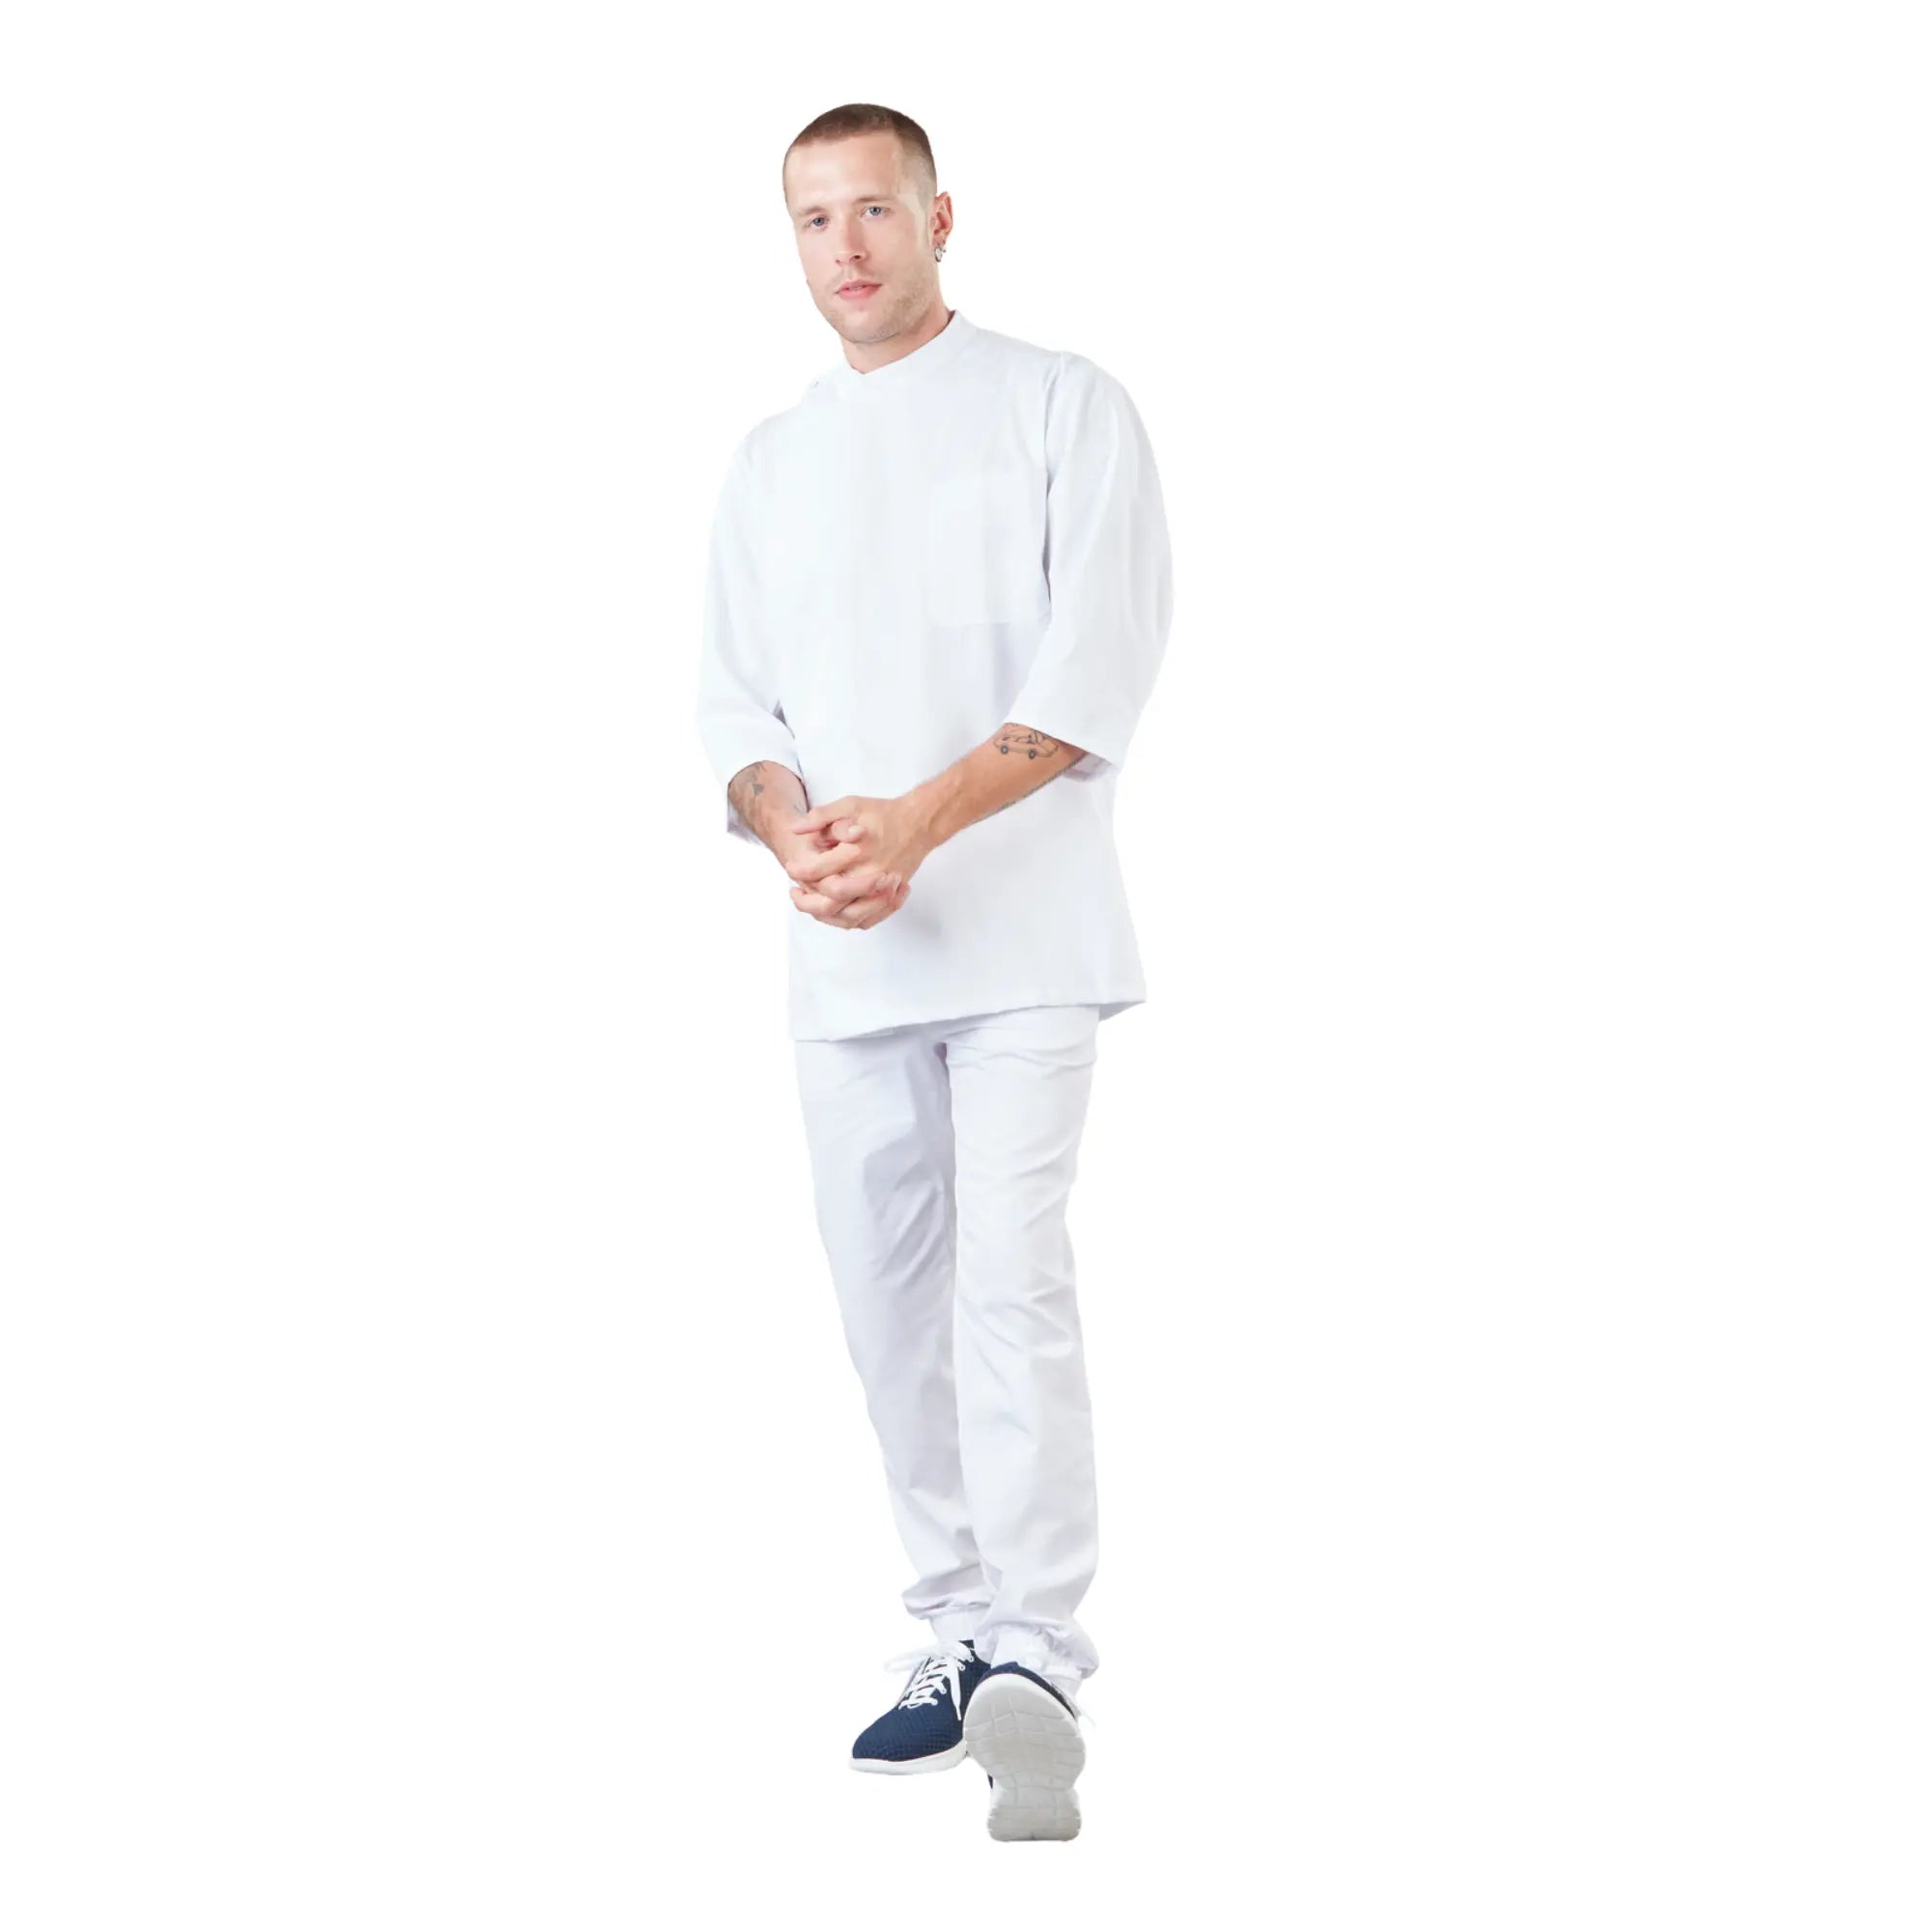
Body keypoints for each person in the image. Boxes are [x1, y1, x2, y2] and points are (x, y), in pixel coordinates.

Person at [693, 101, 1173, 1843]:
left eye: (875, 209)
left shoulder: (1061, 404)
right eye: (814, 219)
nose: (847, 246)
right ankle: (957, 1624)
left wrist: (919, 822)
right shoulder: (771, 460)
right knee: (884, 1300)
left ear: (940, 216)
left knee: (1008, 1281)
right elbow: (737, 711)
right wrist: (794, 830)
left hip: (1026, 940)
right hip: (846, 951)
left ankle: (1036, 1655)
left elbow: (1093, 669)